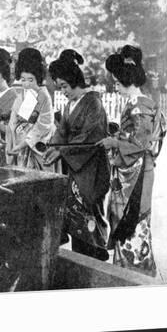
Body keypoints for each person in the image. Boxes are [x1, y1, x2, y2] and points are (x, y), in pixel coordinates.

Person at [96, 45, 165, 276]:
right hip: (130, 170)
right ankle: (124, 269)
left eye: (116, 83)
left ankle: (137, 273)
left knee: (135, 222)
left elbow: (140, 144)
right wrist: (117, 136)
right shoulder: (136, 103)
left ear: (126, 80)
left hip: (137, 174)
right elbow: (134, 138)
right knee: (125, 220)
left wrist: (115, 143)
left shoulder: (140, 105)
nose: (115, 88)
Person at [44, 50, 110, 261]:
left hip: (91, 167)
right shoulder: (69, 106)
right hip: (74, 167)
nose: (62, 91)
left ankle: (96, 258)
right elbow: (61, 133)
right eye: (59, 87)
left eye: (64, 86)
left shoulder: (93, 103)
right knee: (74, 213)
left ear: (75, 81)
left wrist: (62, 150)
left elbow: (91, 137)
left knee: (89, 209)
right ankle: (81, 258)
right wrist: (52, 147)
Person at [6, 48, 55, 170]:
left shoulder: (42, 94)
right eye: (23, 80)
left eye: (30, 79)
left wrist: (20, 144)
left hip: (36, 149)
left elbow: (43, 126)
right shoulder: (26, 93)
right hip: (22, 147)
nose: (26, 84)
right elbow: (17, 122)